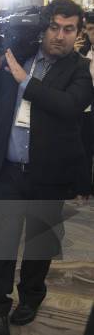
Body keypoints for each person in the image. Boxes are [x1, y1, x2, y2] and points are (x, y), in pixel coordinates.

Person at [0, 0, 93, 335]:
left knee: (40, 243)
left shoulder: (78, 69)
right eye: (55, 27)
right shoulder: (20, 56)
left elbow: (71, 106)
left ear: (77, 33)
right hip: (10, 172)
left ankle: (30, 298)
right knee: (3, 241)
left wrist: (25, 82)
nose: (60, 35)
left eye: (69, 29)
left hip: (50, 173)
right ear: (44, 27)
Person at [76, 11, 94, 197]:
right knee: (84, 148)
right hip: (86, 109)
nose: (91, 33)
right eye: (88, 29)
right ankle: (84, 187)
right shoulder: (83, 51)